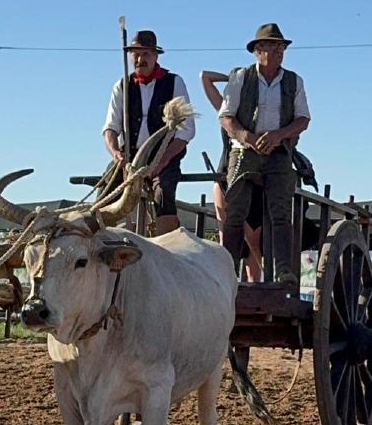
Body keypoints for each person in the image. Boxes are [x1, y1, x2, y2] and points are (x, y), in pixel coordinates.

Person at [218, 23, 311, 286]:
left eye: (280, 46)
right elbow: (226, 117)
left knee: (281, 211)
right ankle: (226, 270)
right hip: (244, 150)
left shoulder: (294, 80)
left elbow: (303, 119)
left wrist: (279, 135)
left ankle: (283, 271)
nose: (278, 51)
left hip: (279, 152)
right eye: (271, 46)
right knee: (235, 210)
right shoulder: (240, 77)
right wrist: (247, 137)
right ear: (258, 51)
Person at [102, 29, 195, 235]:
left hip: (164, 155)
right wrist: (117, 156)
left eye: (145, 54)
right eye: (135, 54)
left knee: (164, 191)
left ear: (155, 55)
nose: (139, 59)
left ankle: (167, 245)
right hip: (129, 155)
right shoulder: (122, 86)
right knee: (105, 192)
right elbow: (110, 127)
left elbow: (186, 132)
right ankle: (103, 243)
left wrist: (162, 161)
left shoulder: (174, 82)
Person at [200, 69, 263, 282]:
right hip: (227, 173)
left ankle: (257, 287)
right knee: (226, 236)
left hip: (256, 177)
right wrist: (236, 79)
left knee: (254, 238)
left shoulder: (264, 110)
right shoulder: (226, 110)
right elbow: (204, 77)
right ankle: (228, 284)